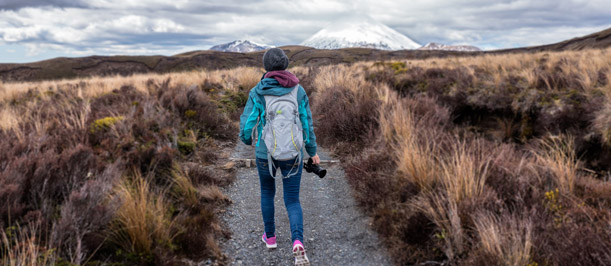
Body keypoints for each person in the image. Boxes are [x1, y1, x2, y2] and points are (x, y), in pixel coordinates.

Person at [239, 48, 319, 266]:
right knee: (292, 200)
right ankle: (297, 242)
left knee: (267, 192)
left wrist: (247, 141)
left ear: (266, 67)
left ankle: (271, 238)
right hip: (293, 152)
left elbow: (248, 124)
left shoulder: (258, 91)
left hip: (266, 152)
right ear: (285, 65)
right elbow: (306, 124)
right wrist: (312, 152)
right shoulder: (299, 90)